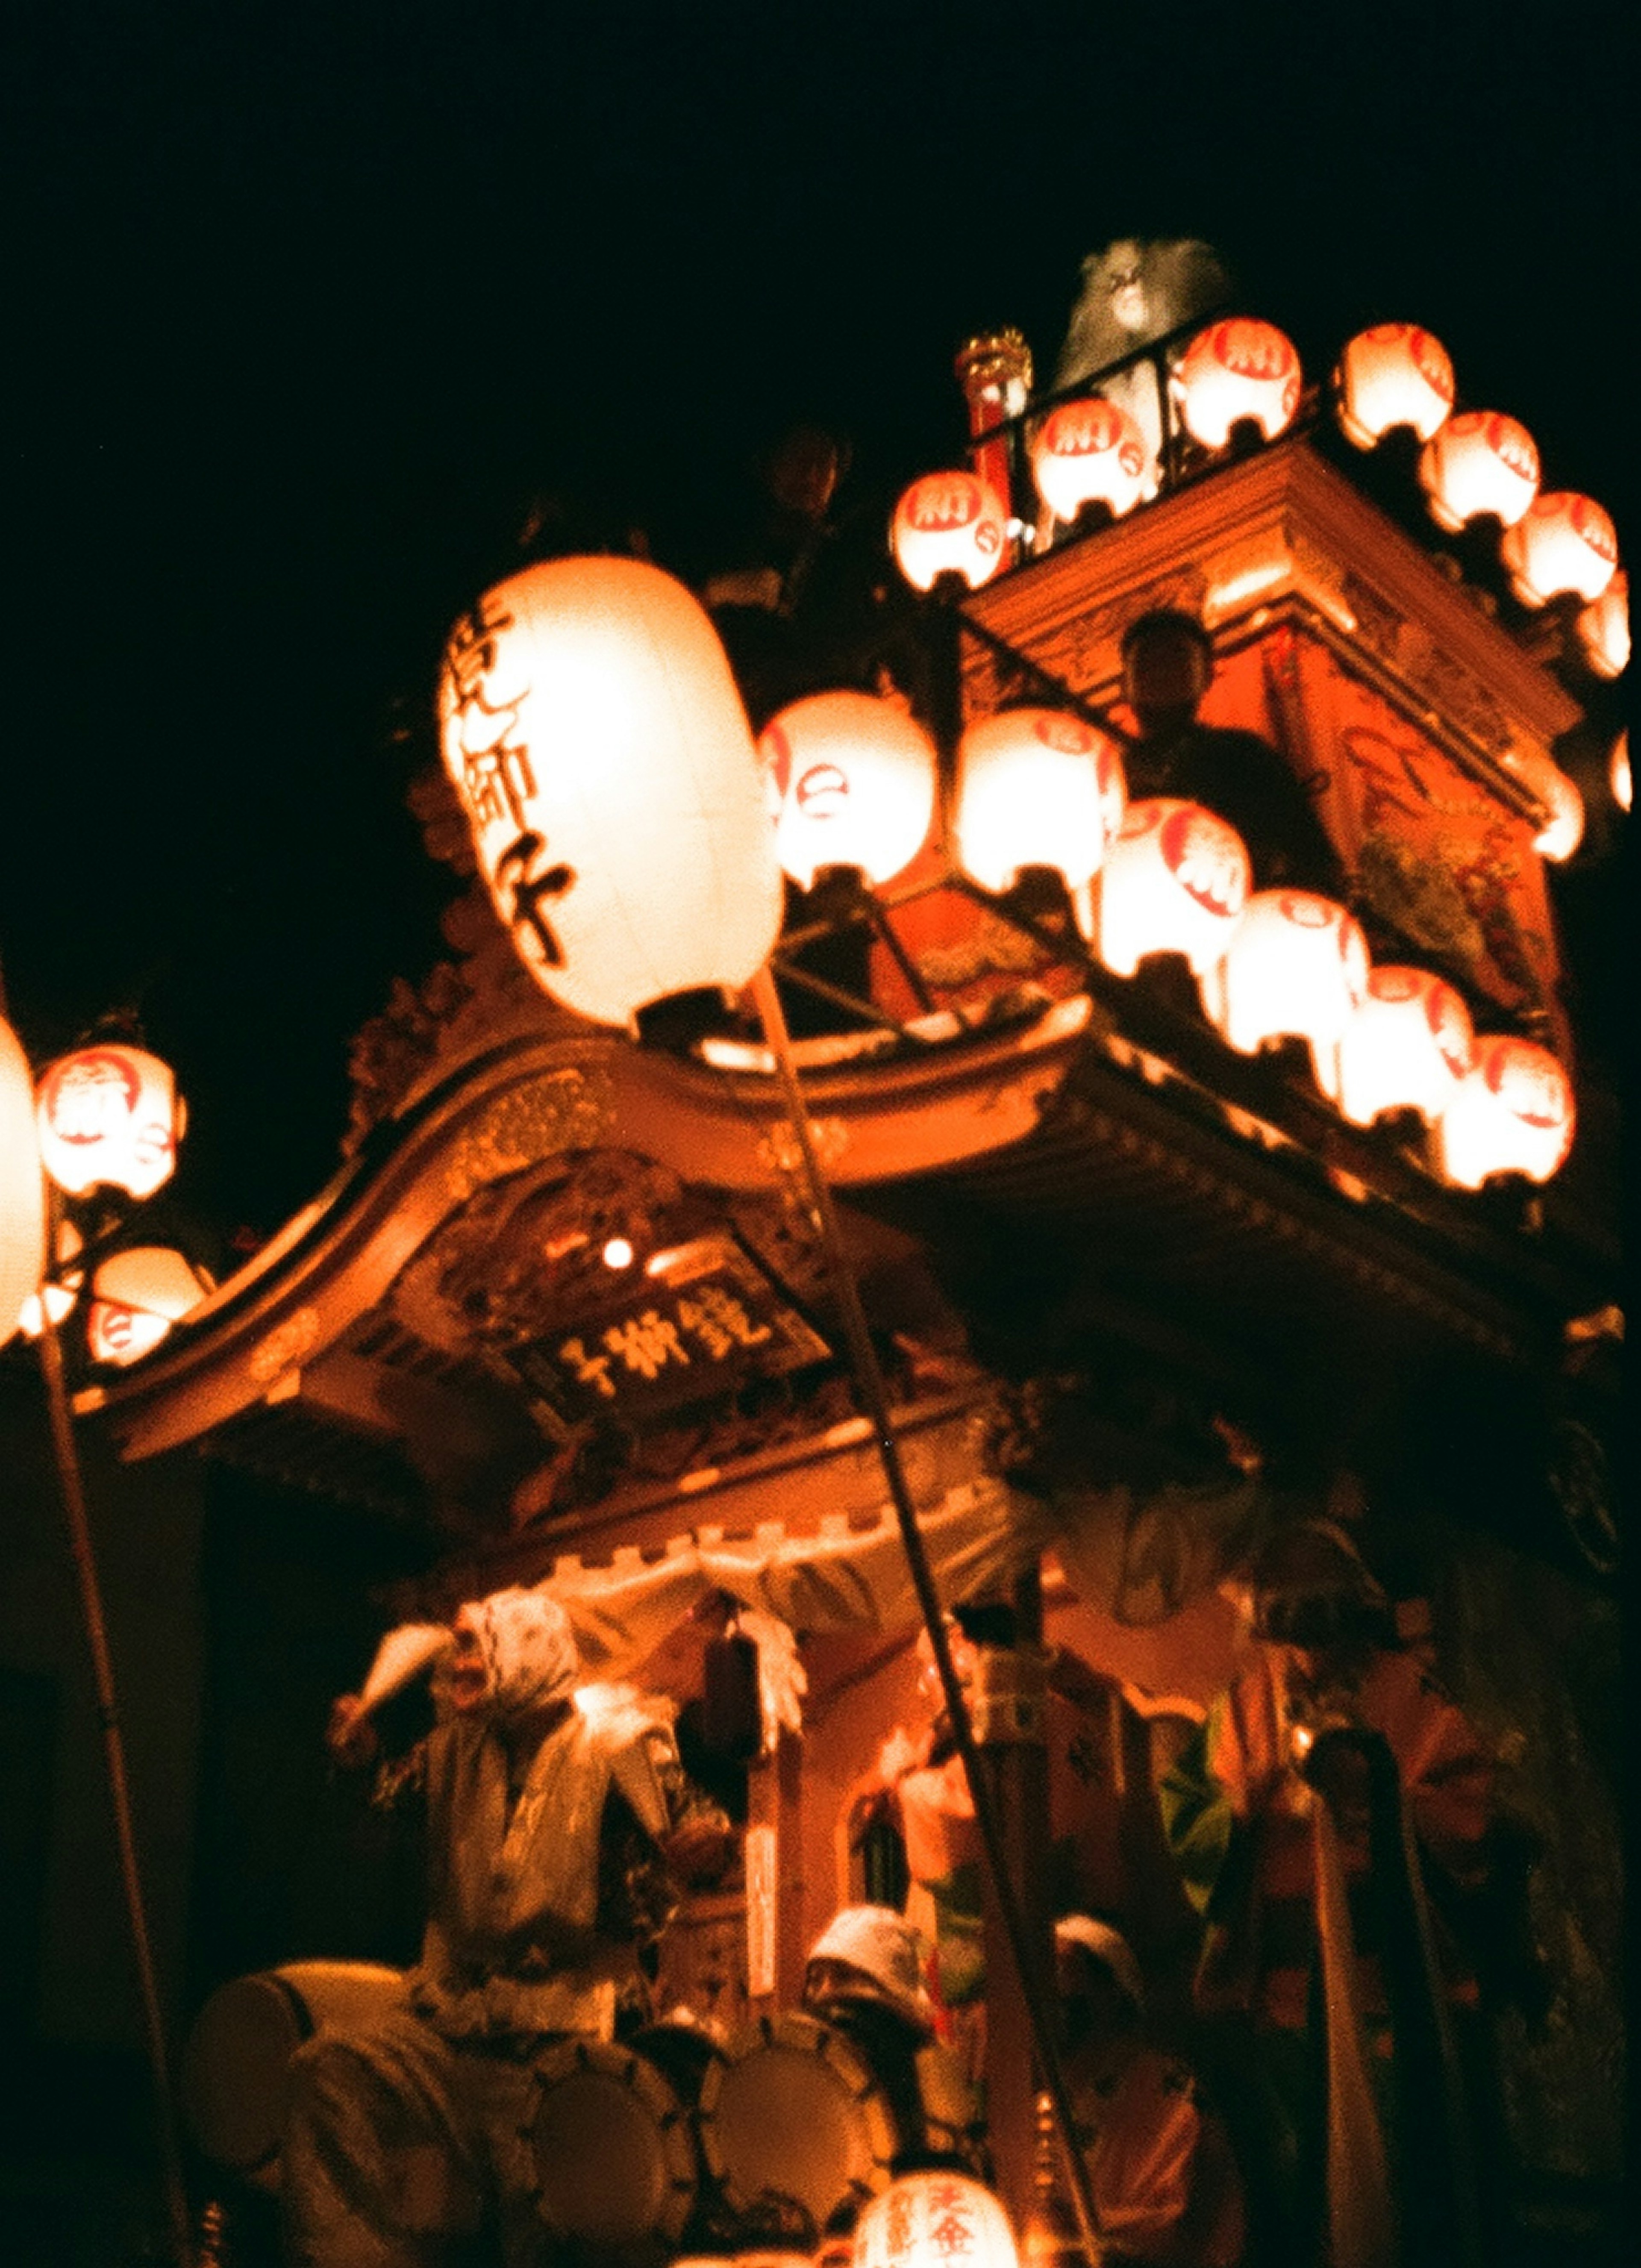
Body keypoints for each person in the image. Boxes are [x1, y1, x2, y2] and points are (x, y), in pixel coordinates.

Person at [284, 1585, 730, 2268]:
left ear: (528, 1648)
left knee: (542, 2221)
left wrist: (704, 1846)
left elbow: (698, 1830)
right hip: (450, 2029)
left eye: (474, 1646)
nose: (460, 1665)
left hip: (567, 2040)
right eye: (460, 1645)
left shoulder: (620, 1743)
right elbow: (381, 1804)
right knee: (332, 2070)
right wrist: (361, 1759)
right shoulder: (448, 1750)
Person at [1160, 1518, 1493, 2268]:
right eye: (1290, 1630)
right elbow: (1188, 1807)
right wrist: (1241, 1812)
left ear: (1352, 1614)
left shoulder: (1411, 1694)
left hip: (1391, 1993)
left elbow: (1469, 1815)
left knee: (1396, 2178)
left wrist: (1384, 1800)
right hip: (1280, 1995)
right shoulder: (1245, 1701)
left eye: (1322, 1625)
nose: (1309, 1650)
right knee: (1291, 2176)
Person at [1054, 1916, 1245, 2267]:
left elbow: (1182, 2224)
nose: (1050, 1988)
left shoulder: (1168, 2088)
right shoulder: (1039, 2090)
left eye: (1061, 1968)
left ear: (1112, 1992)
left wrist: (1070, 2224)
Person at [1121, 611, 1341, 894]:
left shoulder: (1242, 756)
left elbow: (1308, 852)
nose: (1163, 671)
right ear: (1125, 683)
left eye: (1178, 659)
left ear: (1207, 676)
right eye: (1149, 661)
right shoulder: (1107, 778)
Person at [801, 1904, 979, 2172]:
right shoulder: (802, 2076)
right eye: (816, 1980)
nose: (825, 1993)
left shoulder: (930, 2081)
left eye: (845, 1977)